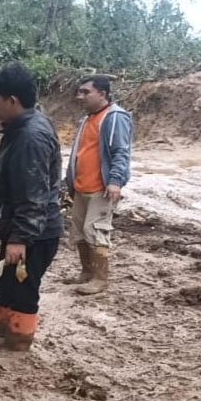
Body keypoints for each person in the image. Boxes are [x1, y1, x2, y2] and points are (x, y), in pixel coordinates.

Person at [0, 63, 63, 351]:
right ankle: (1, 337)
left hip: (34, 232)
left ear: (12, 101)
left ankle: (17, 346)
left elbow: (34, 193)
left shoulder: (30, 136)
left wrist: (20, 238)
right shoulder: (22, 128)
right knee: (7, 284)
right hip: (22, 226)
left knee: (22, 289)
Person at [63, 75, 133, 295]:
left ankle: (100, 279)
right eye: (80, 91)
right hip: (82, 185)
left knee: (96, 231)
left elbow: (121, 152)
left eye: (86, 92)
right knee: (79, 232)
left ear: (102, 93)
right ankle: (87, 273)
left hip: (100, 187)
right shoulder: (86, 119)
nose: (80, 96)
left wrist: (115, 181)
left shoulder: (114, 118)